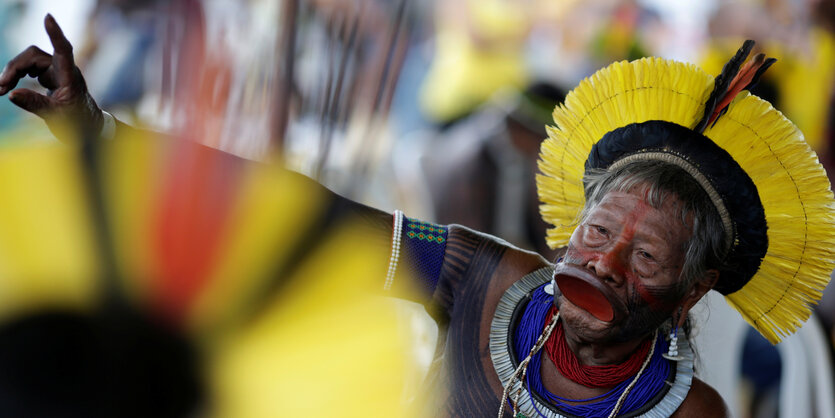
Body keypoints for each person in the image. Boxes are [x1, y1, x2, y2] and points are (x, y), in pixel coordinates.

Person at [3, 15, 835, 418]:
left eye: (646, 259)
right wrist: (104, 137)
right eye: (593, 232)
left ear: (691, 295)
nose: (602, 265)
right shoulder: (482, 283)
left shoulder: (689, 414)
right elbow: (309, 220)